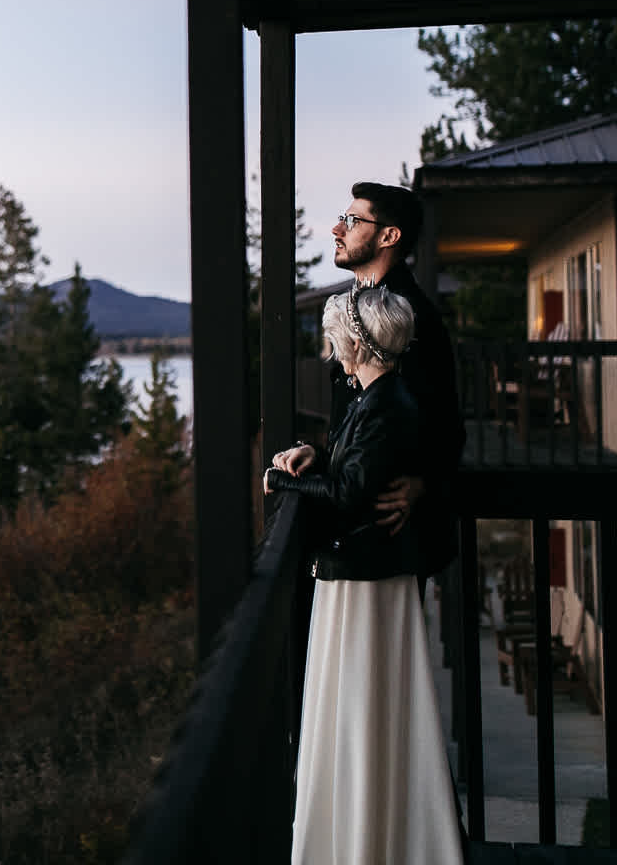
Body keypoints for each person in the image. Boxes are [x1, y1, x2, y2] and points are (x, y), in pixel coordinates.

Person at [264, 287, 464, 865]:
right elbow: (355, 466)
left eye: (334, 337)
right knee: (363, 703)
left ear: (355, 340)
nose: (330, 348)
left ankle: (363, 838)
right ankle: (362, 829)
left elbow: (352, 495)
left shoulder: (384, 405)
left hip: (366, 580)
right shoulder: (373, 397)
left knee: (361, 702)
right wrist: (313, 456)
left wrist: (283, 484)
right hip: (367, 573)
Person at [276, 181, 463, 578]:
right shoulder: (357, 305)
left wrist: (422, 483)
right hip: (353, 538)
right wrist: (322, 455)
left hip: (386, 543)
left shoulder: (411, 319)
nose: (336, 229)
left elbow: (443, 421)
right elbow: (362, 425)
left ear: (388, 236)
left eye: (352, 220)